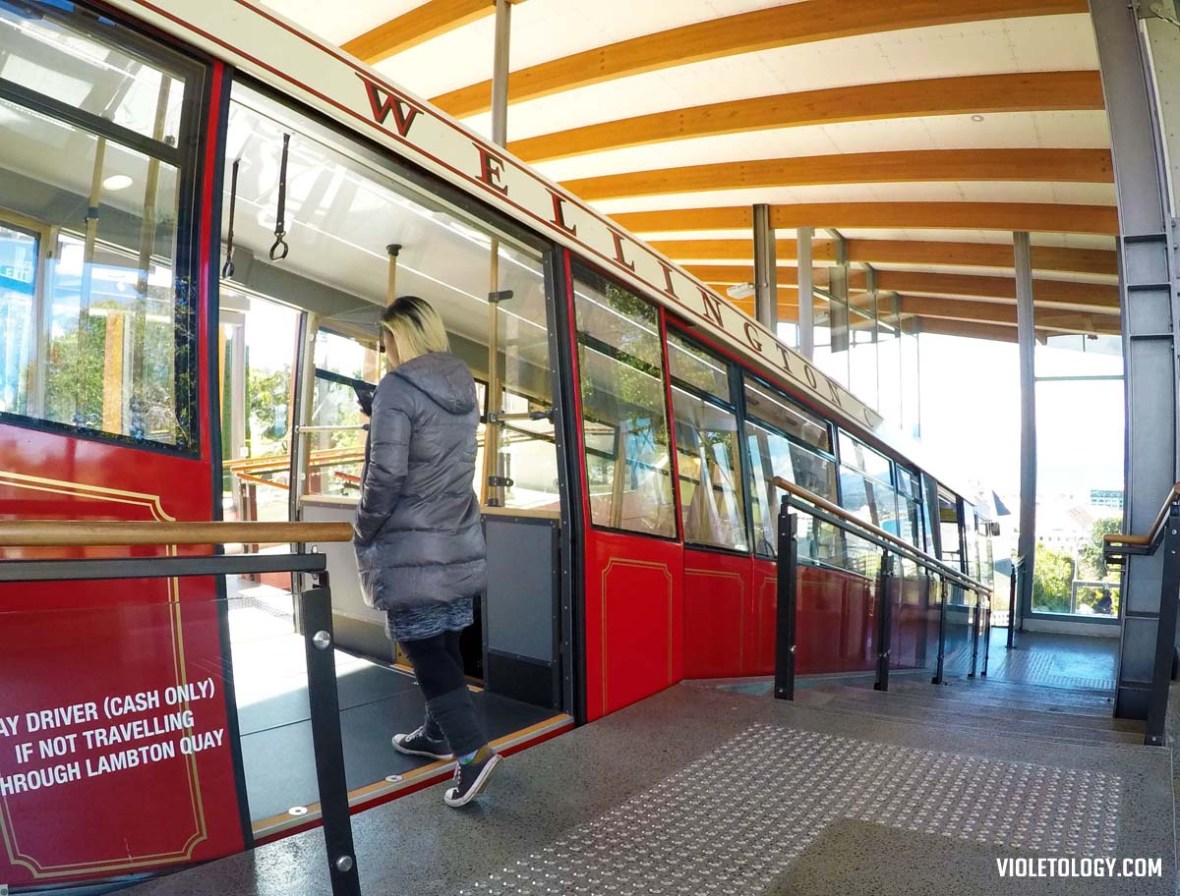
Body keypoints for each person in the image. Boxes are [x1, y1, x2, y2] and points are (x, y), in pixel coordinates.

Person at [353, 295, 499, 808]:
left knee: (423, 649)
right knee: (447, 641)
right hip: (457, 536)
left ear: (400, 337)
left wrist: (363, 526)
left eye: (385, 340)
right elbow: (438, 457)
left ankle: (472, 753)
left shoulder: (396, 387)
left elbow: (387, 476)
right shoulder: (463, 385)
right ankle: (437, 734)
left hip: (412, 544)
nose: (384, 349)